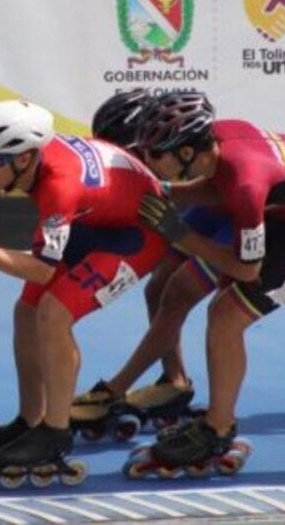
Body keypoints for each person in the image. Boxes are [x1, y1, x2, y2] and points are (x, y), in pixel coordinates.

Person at [0, 99, 169, 487]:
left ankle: (54, 432)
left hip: (138, 236)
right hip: (100, 217)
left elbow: (42, 270)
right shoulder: (30, 154)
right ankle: (30, 420)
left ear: (24, 160)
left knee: (54, 313)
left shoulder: (59, 188)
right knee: (26, 312)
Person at [124, 89, 285, 477]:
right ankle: (218, 418)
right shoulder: (218, 143)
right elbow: (217, 187)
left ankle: (218, 429)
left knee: (227, 316)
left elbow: (247, 269)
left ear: (186, 152)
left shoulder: (247, 186)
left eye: (155, 154)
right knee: (213, 304)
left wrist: (181, 236)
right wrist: (165, 192)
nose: (148, 161)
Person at [71, 89, 229, 438]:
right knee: (158, 288)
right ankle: (175, 382)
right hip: (203, 213)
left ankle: (115, 388)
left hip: (232, 224)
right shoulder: (159, 159)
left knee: (177, 295)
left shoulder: (168, 159)